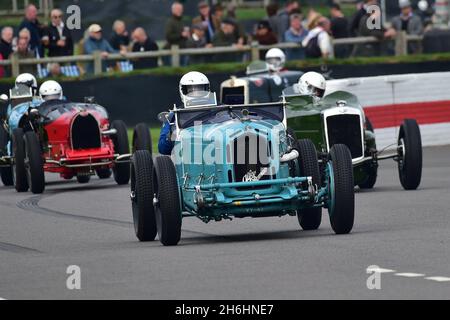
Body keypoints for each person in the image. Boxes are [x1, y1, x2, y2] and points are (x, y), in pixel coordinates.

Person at [158, 71, 211, 155]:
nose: (196, 93)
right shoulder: (174, 115)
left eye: (200, 89)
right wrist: (173, 134)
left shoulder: (220, 109)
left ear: (207, 89)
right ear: (183, 90)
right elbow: (163, 148)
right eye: (191, 90)